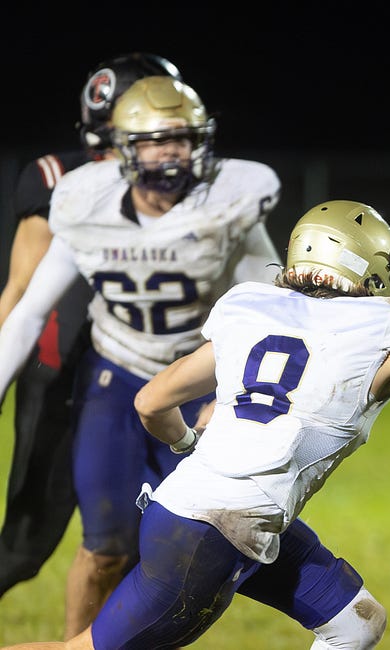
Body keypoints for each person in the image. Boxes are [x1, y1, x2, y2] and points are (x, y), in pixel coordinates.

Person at [0, 199, 390, 650]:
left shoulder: (252, 309)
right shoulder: (382, 330)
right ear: (369, 270)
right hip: (206, 537)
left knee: (357, 621)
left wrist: (188, 445)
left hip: (210, 514)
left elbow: (151, 400)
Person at [0, 74, 282, 637]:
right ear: (124, 148)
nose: (173, 152)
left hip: (194, 380)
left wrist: (229, 397)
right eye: (157, 140)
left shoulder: (226, 207)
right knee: (104, 548)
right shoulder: (87, 204)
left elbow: (267, 311)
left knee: (175, 553)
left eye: (183, 137)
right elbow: (32, 310)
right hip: (116, 375)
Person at [0, 52, 183, 602]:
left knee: (143, 543)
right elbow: (23, 294)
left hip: (149, 379)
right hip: (61, 374)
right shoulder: (62, 181)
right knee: (26, 547)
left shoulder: (185, 187)